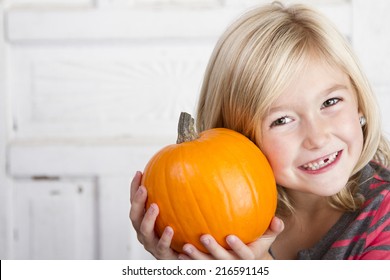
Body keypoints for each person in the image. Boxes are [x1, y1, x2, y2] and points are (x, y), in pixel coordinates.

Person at [129, 1, 390, 259]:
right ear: (239, 137)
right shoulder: (222, 215)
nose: (317, 138)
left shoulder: (383, 217)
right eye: (282, 120)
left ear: (359, 103)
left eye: (330, 102)